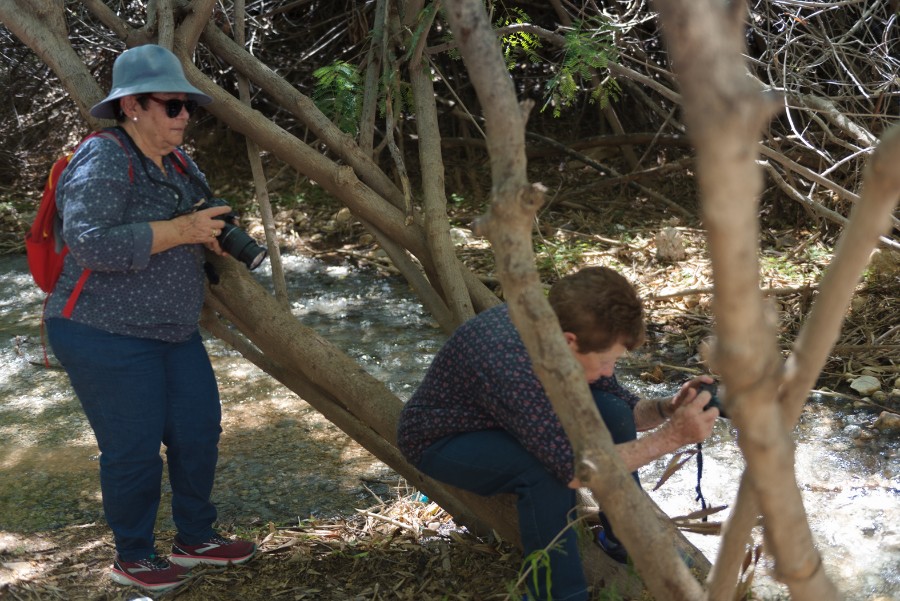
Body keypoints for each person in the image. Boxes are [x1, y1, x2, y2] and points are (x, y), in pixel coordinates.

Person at [44, 44, 256, 593]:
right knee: (133, 450)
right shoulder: (105, 157)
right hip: (102, 333)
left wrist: (216, 234)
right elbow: (89, 244)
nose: (185, 116)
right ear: (132, 106)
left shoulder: (181, 162)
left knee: (197, 432)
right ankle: (133, 555)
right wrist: (183, 231)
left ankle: (195, 540)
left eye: (188, 106)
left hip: (173, 331)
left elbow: (195, 221)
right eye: (172, 106)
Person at [396, 267, 719, 601]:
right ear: (569, 343)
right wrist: (670, 438)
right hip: (443, 439)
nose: (610, 371)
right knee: (544, 474)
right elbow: (576, 471)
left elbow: (627, 409)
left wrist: (669, 407)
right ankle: (557, 594)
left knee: (612, 409)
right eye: (607, 361)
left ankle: (626, 540)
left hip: (509, 420)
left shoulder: (573, 331)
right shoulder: (510, 364)